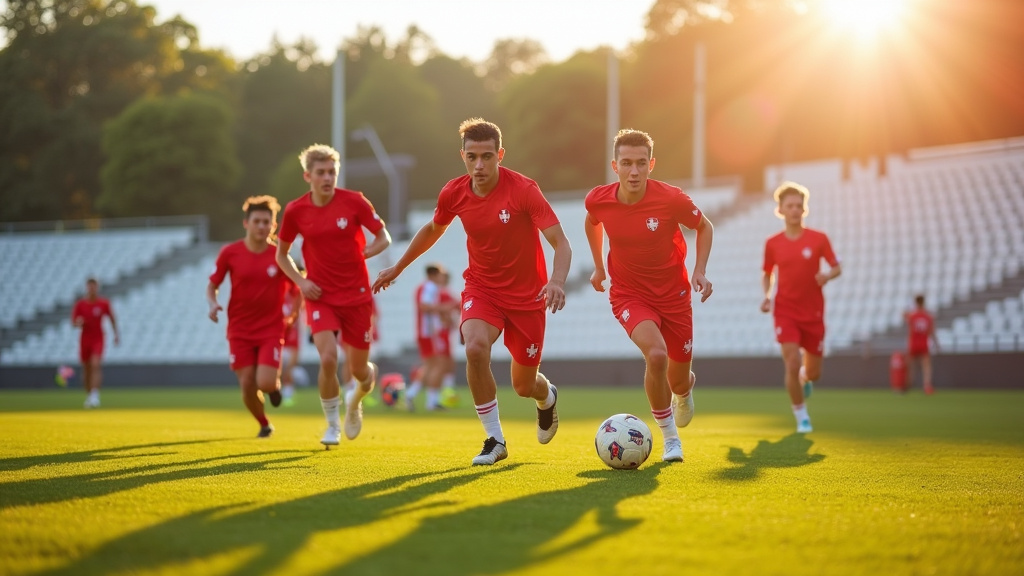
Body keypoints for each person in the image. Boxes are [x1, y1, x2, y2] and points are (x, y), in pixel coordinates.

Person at [373, 118, 571, 466]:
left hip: (528, 298)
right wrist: (398, 267)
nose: (479, 165)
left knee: (524, 385)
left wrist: (555, 280)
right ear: (462, 155)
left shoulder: (524, 190)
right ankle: (495, 439)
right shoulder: (454, 192)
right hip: (482, 289)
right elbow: (433, 229)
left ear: (500, 155)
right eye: (472, 156)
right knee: (475, 347)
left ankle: (547, 397)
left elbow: (561, 242)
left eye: (487, 156)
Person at [584, 129, 714, 463]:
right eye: (626, 163)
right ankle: (671, 439)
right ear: (615, 165)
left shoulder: (671, 199)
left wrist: (699, 269)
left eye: (641, 163)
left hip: (674, 296)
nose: (634, 171)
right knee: (656, 355)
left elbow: (704, 227)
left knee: (678, 379)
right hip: (629, 294)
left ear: (651, 164)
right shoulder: (599, 198)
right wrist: (599, 268)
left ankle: (684, 390)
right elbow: (592, 222)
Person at [276, 143, 392, 448]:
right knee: (328, 359)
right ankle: (331, 424)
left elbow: (384, 236)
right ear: (308, 176)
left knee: (358, 371)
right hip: (320, 295)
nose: (328, 178)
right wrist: (300, 283)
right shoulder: (295, 210)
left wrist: (367, 251)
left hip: (356, 296)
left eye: (332, 172)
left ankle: (357, 397)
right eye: (321, 173)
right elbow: (282, 254)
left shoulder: (354, 202)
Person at [207, 195, 293, 437]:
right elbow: (212, 285)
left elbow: (299, 286)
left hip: (271, 328)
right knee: (247, 385)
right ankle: (264, 423)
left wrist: (294, 313)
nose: (262, 226)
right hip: (240, 329)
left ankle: (273, 387)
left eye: (267, 222)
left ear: (273, 225)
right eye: (257, 221)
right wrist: (212, 304)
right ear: (246, 223)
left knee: (264, 383)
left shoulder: (280, 255)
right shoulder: (230, 253)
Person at [760, 181, 842, 433]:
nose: (795, 210)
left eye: (799, 206)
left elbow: (837, 267)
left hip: (813, 314)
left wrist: (827, 276)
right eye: (790, 206)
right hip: (785, 311)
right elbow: (767, 273)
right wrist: (767, 295)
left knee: (813, 373)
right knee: (792, 362)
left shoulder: (819, 239)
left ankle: (807, 377)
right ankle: (801, 416)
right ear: (781, 210)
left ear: (804, 209)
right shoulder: (772, 243)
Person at [405, 263, 452, 411]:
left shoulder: (425, 287)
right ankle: (431, 402)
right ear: (433, 275)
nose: (442, 278)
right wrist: (445, 308)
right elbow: (424, 306)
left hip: (425, 332)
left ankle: (412, 393)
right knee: (438, 365)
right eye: (440, 275)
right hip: (429, 332)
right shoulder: (430, 287)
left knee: (430, 365)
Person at [71, 277, 119, 409]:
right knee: (86, 369)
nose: (92, 289)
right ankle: (89, 394)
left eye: (94, 286)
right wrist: (78, 323)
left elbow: (112, 318)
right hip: (85, 338)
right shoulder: (80, 304)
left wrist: (116, 334)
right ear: (87, 287)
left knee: (95, 364)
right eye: (90, 286)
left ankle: (94, 395)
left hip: (98, 338)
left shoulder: (103, 303)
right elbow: (74, 322)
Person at [904, 294, 938, 394]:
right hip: (923, 343)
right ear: (924, 302)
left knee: (911, 366)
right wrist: (936, 343)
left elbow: (905, 319)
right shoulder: (928, 316)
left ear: (915, 302)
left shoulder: (912, 315)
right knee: (926, 366)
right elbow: (931, 331)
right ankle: (927, 386)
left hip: (913, 343)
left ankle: (907, 385)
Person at [280, 277, 304, 406]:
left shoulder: (296, 296)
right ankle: (282, 389)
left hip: (293, 337)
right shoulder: (279, 295)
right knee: (280, 367)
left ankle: (288, 391)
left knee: (290, 366)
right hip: (279, 336)